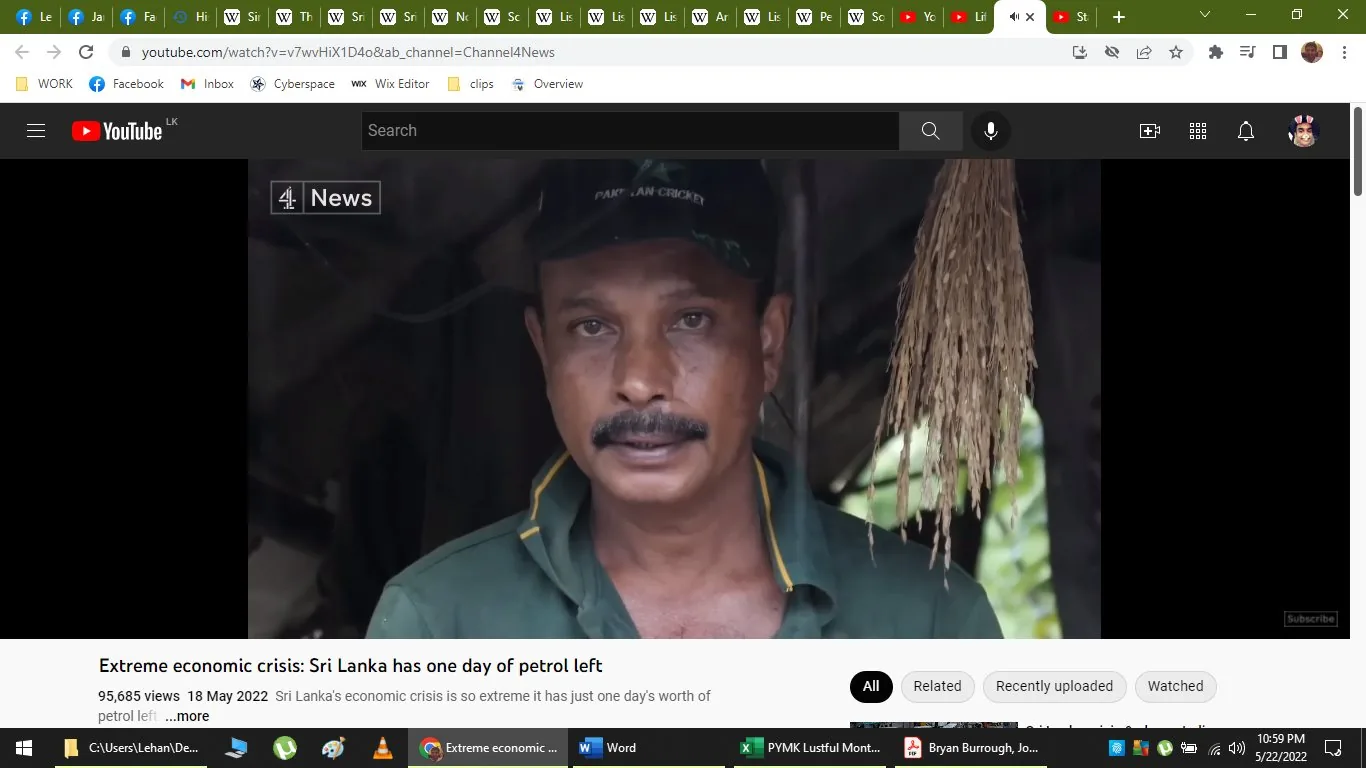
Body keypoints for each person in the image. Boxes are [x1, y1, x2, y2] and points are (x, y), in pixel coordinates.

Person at [367, 159, 1003, 639]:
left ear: (769, 343)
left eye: (691, 320)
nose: (640, 380)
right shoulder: (435, 621)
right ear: (542, 350)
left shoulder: (928, 621)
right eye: (592, 327)